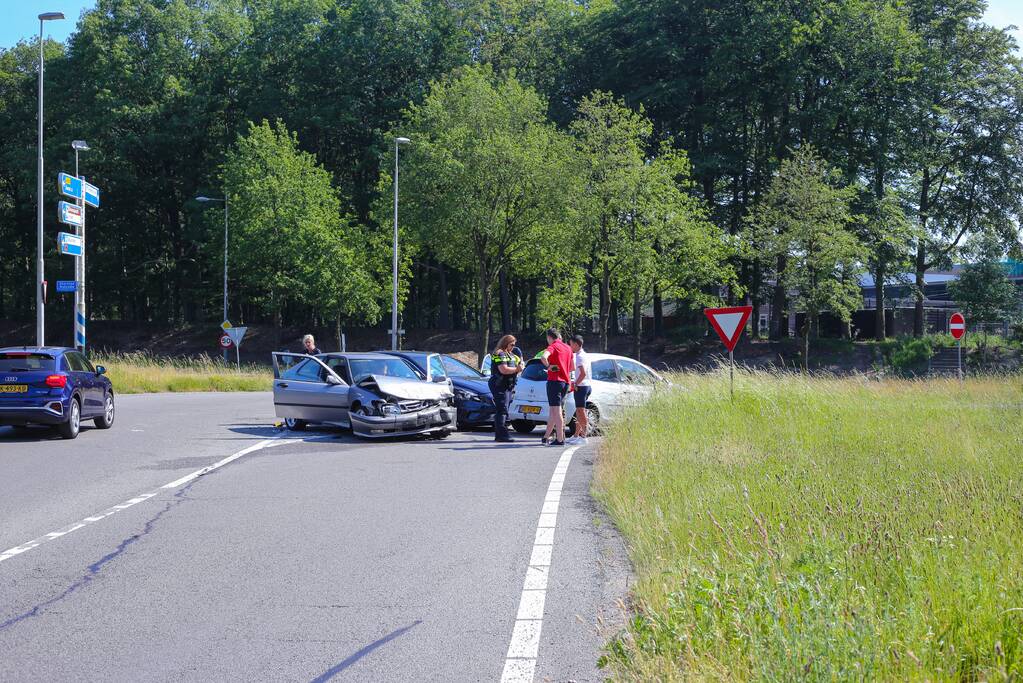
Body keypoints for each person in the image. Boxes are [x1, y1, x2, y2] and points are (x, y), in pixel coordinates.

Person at [540, 327, 573, 446]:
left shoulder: (553, 346)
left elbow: (543, 357)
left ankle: (560, 439)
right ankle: (547, 436)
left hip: (554, 381)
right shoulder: (568, 348)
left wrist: (549, 367)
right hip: (566, 382)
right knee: (555, 410)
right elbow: (572, 367)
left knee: (556, 410)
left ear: (549, 337)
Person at [488, 335, 523, 442]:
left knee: (504, 409)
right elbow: (503, 369)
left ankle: (501, 434)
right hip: (499, 385)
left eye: (514, 345)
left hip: (508, 385)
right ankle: (501, 435)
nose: (513, 347)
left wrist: (520, 364)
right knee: (502, 409)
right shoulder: (499, 353)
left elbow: (520, 364)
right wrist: (517, 369)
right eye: (511, 344)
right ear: (506, 343)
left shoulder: (511, 354)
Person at [566, 335, 592, 445]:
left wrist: (575, 383)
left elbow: (583, 373)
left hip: (582, 386)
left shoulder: (580, 357)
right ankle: (576, 435)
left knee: (581, 412)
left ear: (576, 344)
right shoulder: (581, 355)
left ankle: (584, 436)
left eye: (571, 344)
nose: (570, 346)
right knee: (579, 411)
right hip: (584, 386)